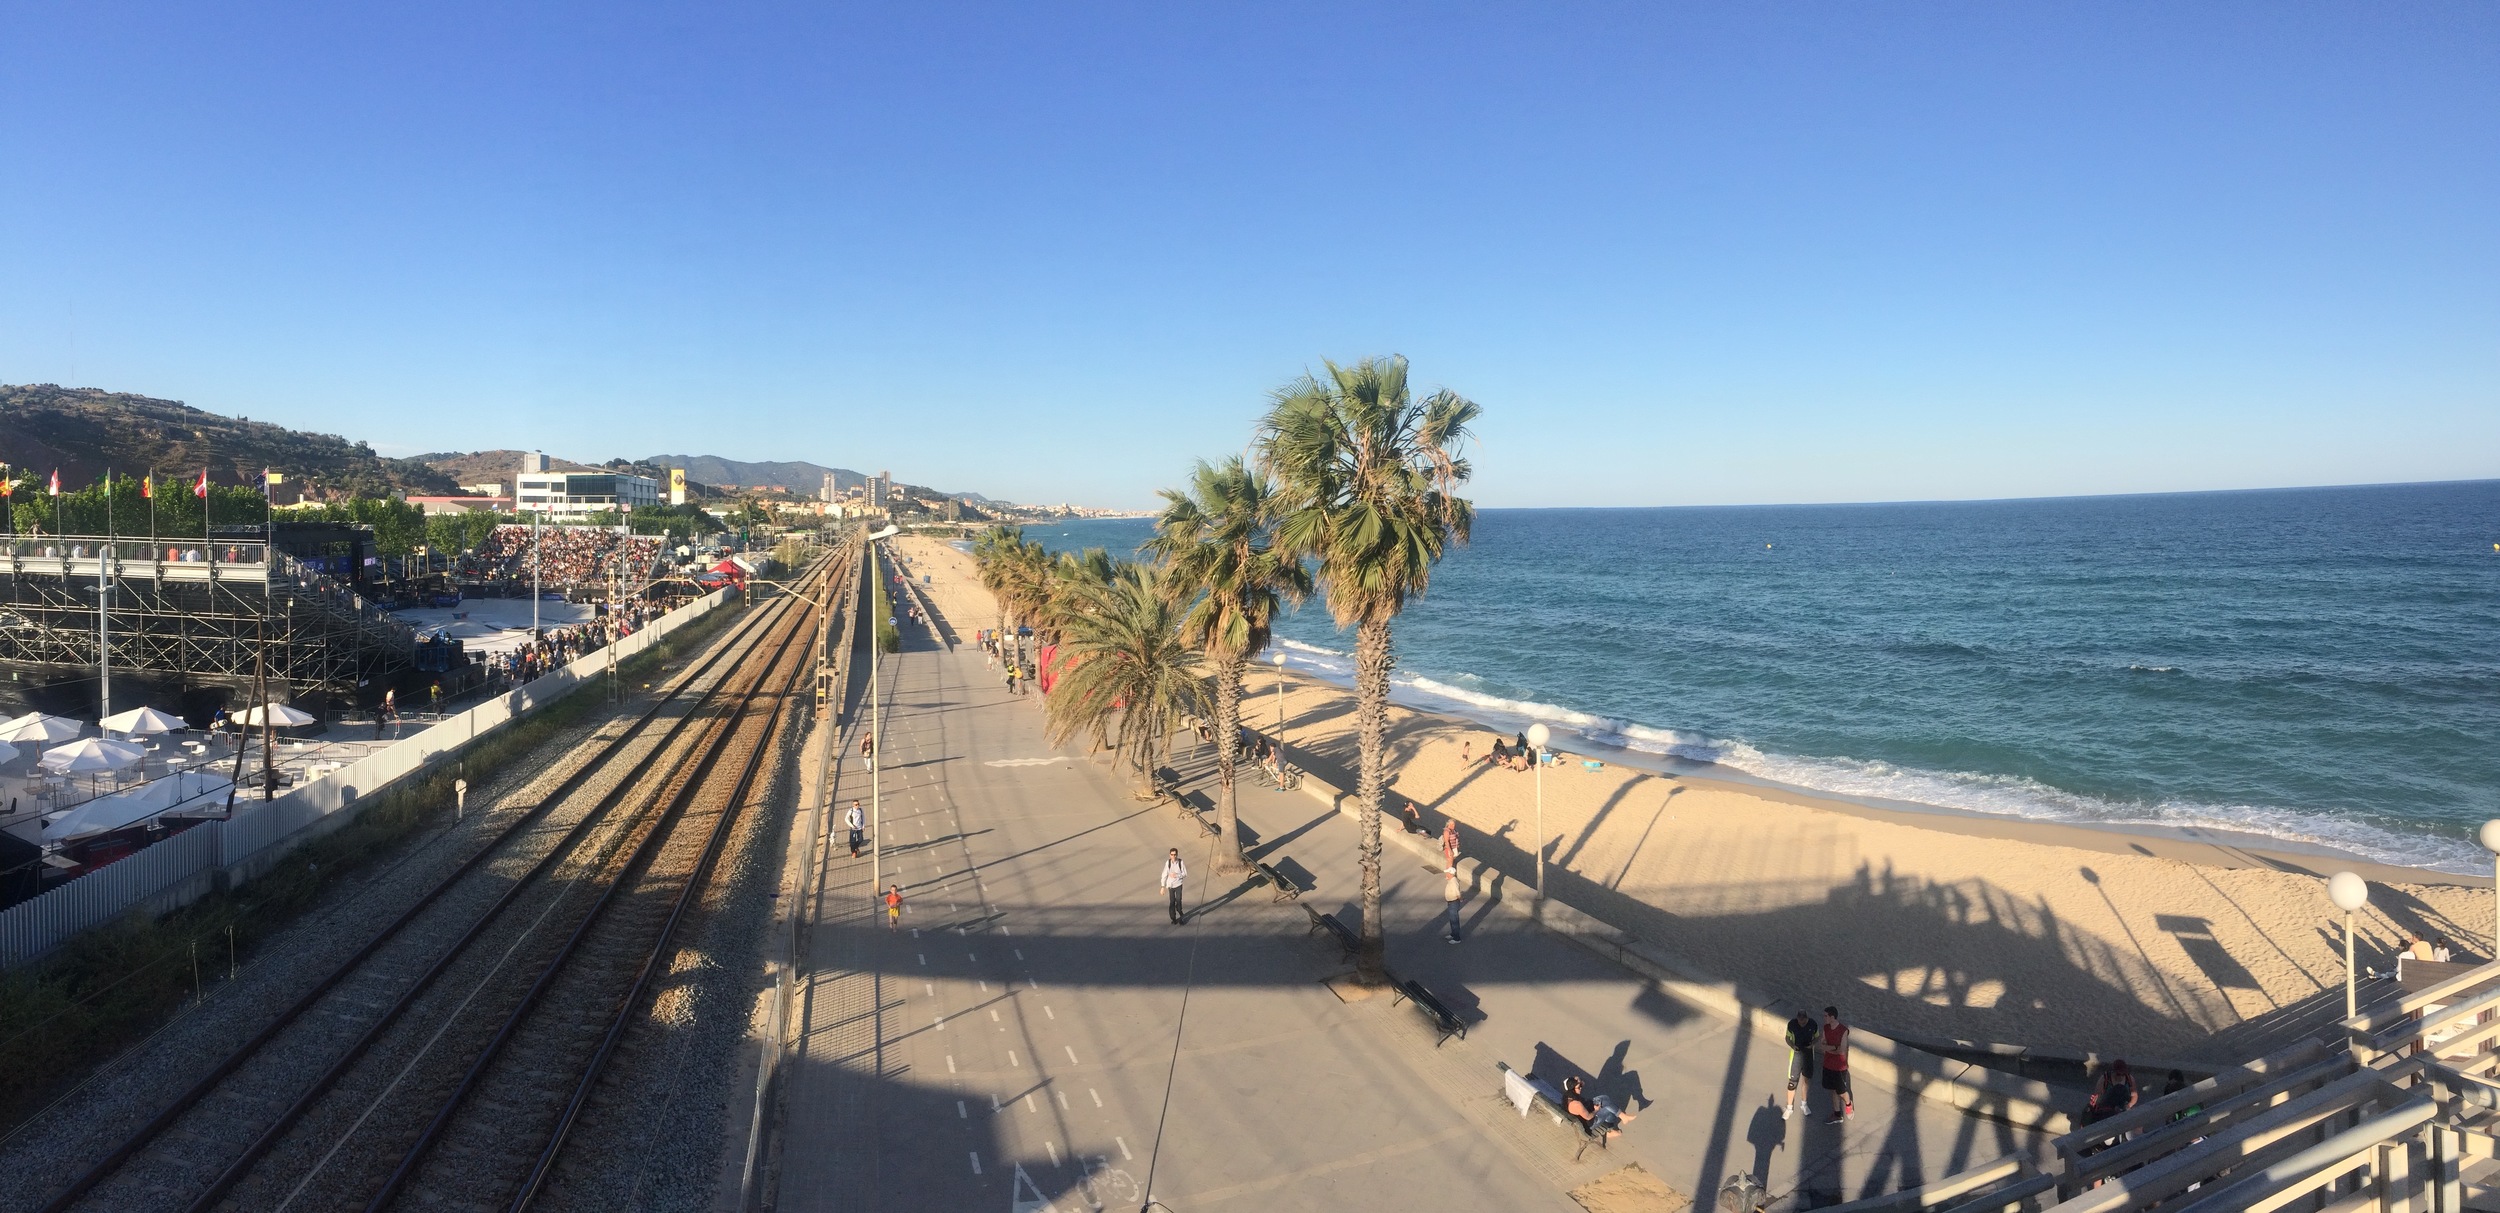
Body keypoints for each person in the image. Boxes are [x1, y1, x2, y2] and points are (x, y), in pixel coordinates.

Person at [1819, 1006, 1855, 1123]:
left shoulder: (1843, 1030)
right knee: (1832, 1090)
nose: (1824, 1018)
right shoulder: (1826, 1028)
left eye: (1826, 1016)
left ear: (1832, 1017)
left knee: (1841, 1091)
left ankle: (1848, 1105)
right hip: (1828, 1064)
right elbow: (1822, 1045)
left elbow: (1842, 1050)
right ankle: (1837, 1113)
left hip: (1839, 1067)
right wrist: (1834, 1047)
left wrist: (1829, 1048)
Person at [1783, 1010, 1818, 1119]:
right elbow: (1787, 1038)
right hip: (1796, 1055)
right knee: (1792, 1083)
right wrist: (1793, 1046)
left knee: (1806, 1080)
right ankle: (1789, 1108)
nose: (1801, 1023)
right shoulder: (1792, 1024)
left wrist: (1811, 1044)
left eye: (1803, 1021)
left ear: (1806, 1018)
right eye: (1800, 1021)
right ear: (1797, 1018)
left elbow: (1817, 1037)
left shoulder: (1813, 1024)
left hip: (1808, 1055)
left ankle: (1804, 1104)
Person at [2086, 1059, 2138, 1125]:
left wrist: (2128, 1105)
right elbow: (2097, 1096)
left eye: (2123, 1074)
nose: (2121, 1076)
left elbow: (2134, 1095)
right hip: (2108, 1106)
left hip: (2124, 1105)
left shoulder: (2129, 1078)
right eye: (2118, 1074)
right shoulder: (2105, 1079)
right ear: (2113, 1072)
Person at [1159, 847, 1188, 925]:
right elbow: (1164, 874)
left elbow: (1185, 874)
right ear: (1170, 855)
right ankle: (1173, 918)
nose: (1173, 856)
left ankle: (1181, 915)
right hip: (1170, 886)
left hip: (1178, 884)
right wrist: (1162, 887)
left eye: (1175, 855)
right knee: (1172, 902)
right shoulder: (1167, 863)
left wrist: (1177, 875)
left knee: (1178, 901)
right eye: (1172, 855)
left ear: (1177, 855)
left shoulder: (1180, 862)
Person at [1443, 866, 1464, 943]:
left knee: (1454, 920)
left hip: (1453, 902)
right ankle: (1453, 934)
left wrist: (1460, 899)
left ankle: (1457, 938)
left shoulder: (1453, 881)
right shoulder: (1451, 880)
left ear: (1451, 873)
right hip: (1451, 902)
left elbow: (1457, 893)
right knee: (1452, 919)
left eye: (1447, 873)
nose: (1446, 874)